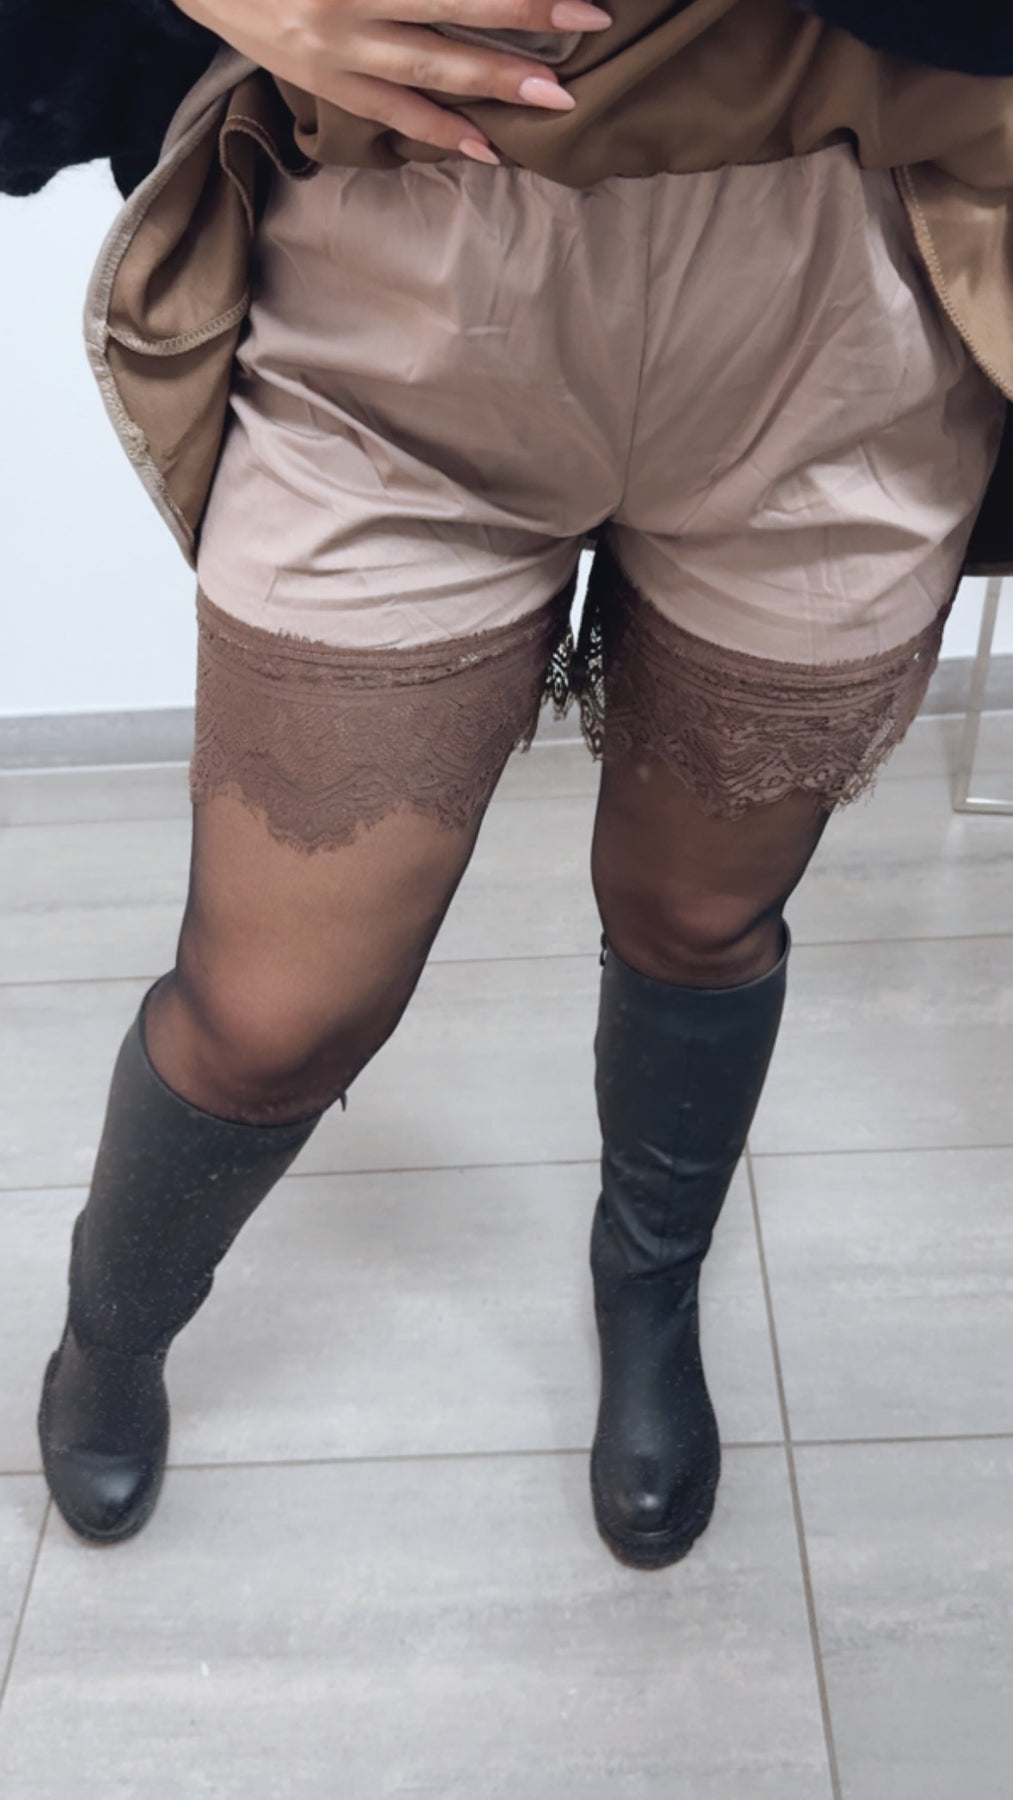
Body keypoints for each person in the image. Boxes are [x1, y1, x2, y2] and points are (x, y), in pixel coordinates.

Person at [7, 0, 1012, 1571]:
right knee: (275, 1007)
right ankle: (112, 1330)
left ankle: (647, 1289)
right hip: (401, 260)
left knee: (698, 920)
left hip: (844, 269)